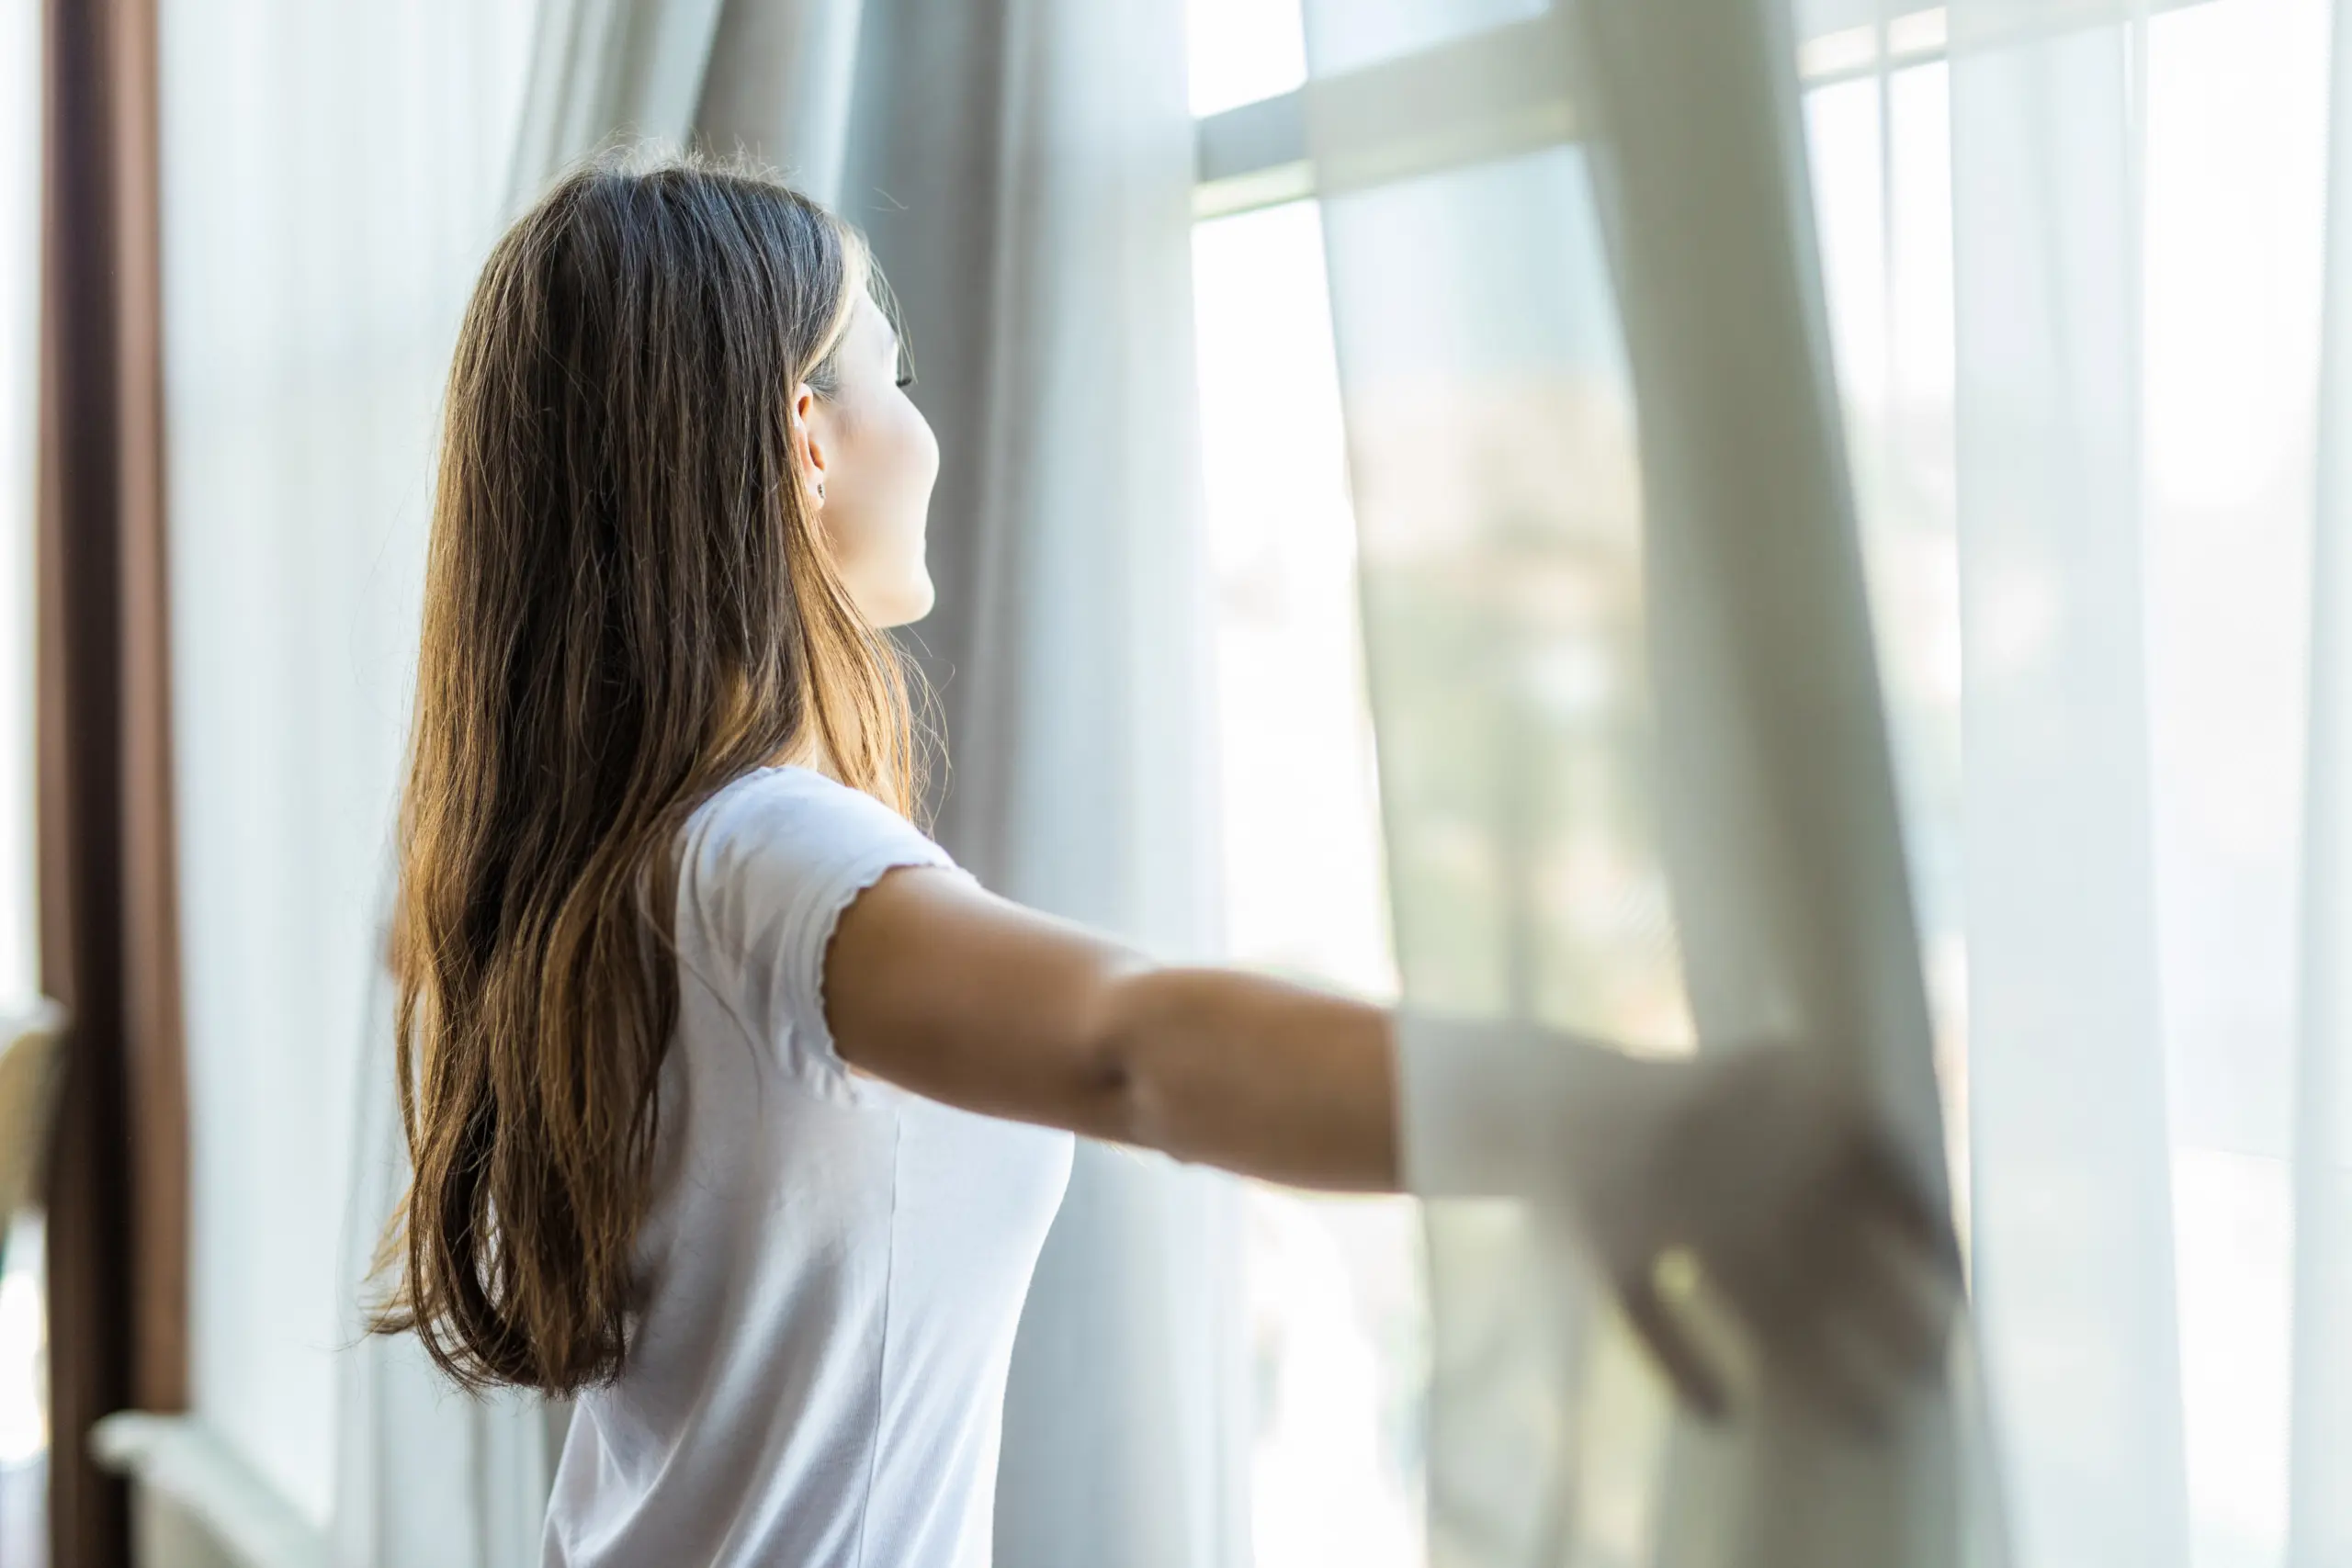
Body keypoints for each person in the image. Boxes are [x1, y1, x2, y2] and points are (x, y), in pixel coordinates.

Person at [370, 152, 1955, 1568]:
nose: (923, 427)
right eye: (892, 372)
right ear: (807, 437)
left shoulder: (606, 865)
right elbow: (1132, 1045)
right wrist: (1614, 1117)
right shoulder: (767, 858)